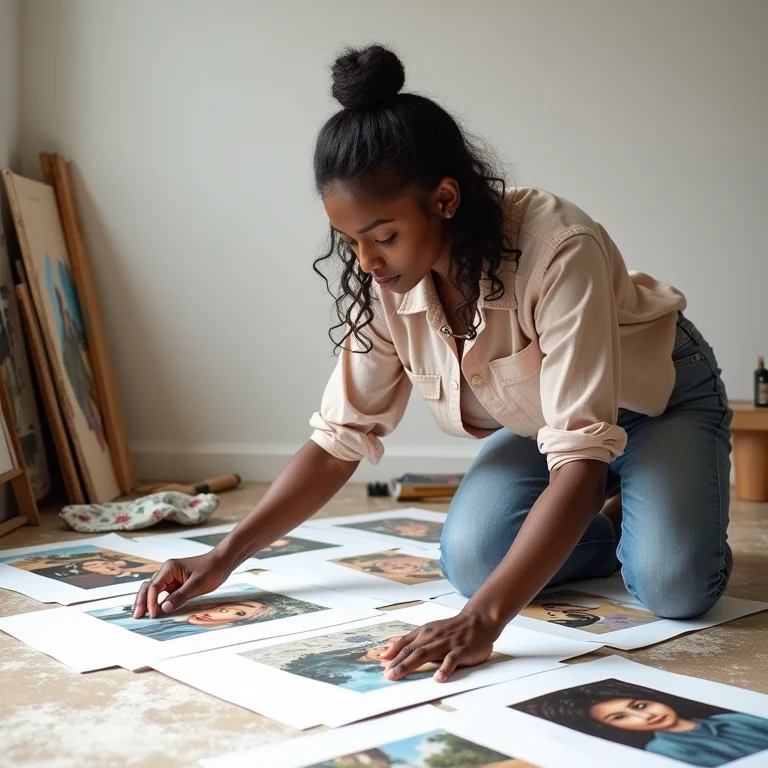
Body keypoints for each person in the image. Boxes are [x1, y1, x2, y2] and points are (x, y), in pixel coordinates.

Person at [133, 44, 732, 684]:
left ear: (445, 198)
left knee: (674, 585)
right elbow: (339, 439)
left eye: (384, 235)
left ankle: (652, 504)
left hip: (654, 397)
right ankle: (624, 516)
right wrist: (222, 557)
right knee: (473, 560)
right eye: (350, 240)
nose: (366, 261)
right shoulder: (388, 281)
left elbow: (581, 461)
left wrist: (483, 621)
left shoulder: (560, 247)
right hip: (544, 424)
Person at [517, 679, 768, 767]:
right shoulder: (665, 751)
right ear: (613, 727)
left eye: (639, 706)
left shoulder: (730, 718)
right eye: (620, 717)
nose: (644, 716)